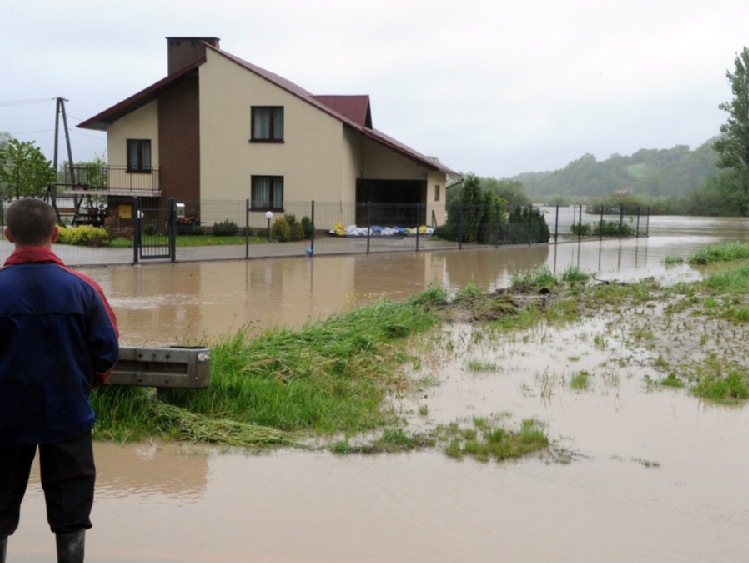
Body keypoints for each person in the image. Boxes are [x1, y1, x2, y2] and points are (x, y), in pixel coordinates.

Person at [0, 198, 119, 563]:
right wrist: (82, 386)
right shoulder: (83, 290)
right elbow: (107, 352)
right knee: (71, 517)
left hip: (3, 422)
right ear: (55, 233)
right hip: (67, 417)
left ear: (8, 236)